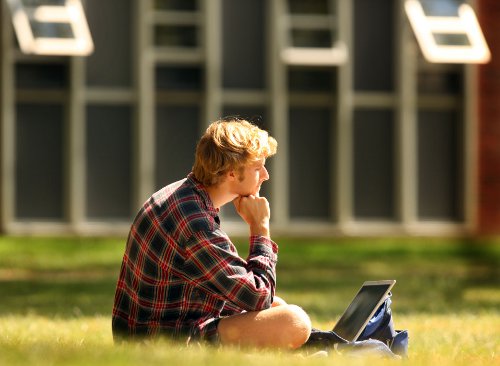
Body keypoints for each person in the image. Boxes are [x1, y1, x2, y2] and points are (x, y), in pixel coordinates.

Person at [112, 117, 312, 349]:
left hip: (157, 327)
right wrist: (260, 229)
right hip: (160, 343)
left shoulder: (181, 195)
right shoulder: (196, 224)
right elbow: (258, 296)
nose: (266, 175)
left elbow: (254, 297)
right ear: (231, 174)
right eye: (258, 168)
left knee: (278, 308)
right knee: (294, 321)